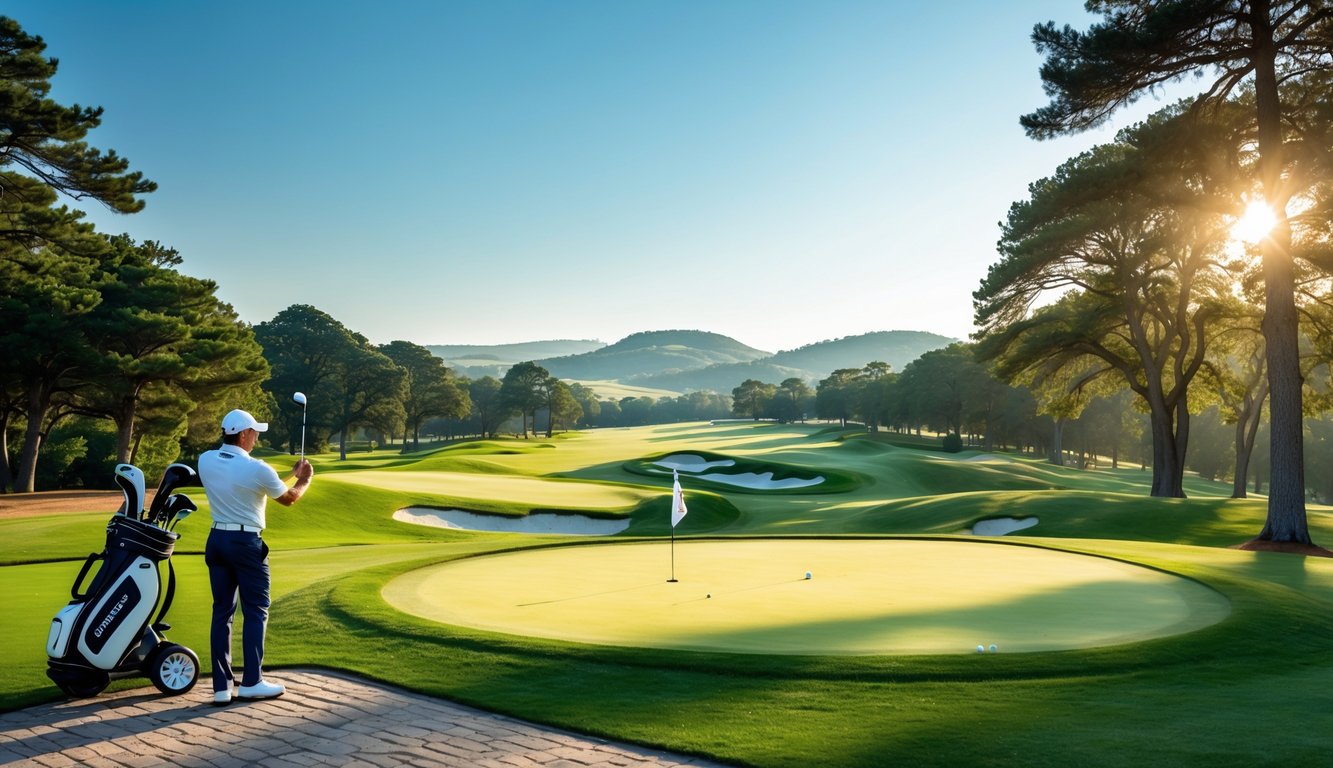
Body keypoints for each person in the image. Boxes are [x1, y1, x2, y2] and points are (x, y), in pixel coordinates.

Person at [198, 408, 313, 705]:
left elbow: (247, 480)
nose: (257, 438)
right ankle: (251, 682)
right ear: (244, 433)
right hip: (245, 543)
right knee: (256, 609)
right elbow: (287, 498)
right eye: (255, 433)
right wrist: (304, 480)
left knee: (222, 611)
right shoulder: (258, 468)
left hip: (217, 540)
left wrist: (288, 474)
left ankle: (222, 687)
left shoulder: (206, 460)